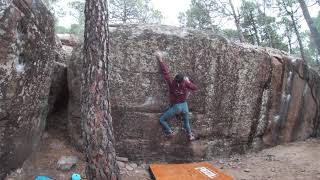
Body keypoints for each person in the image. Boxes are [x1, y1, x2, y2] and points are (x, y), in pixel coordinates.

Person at [155, 52, 198, 141]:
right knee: (186, 122)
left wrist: (161, 60)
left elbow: (165, 72)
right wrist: (188, 81)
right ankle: (190, 135)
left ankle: (169, 131)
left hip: (177, 107)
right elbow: (195, 88)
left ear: (175, 78)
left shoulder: (172, 83)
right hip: (184, 105)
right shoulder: (185, 83)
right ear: (182, 80)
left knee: (162, 119)